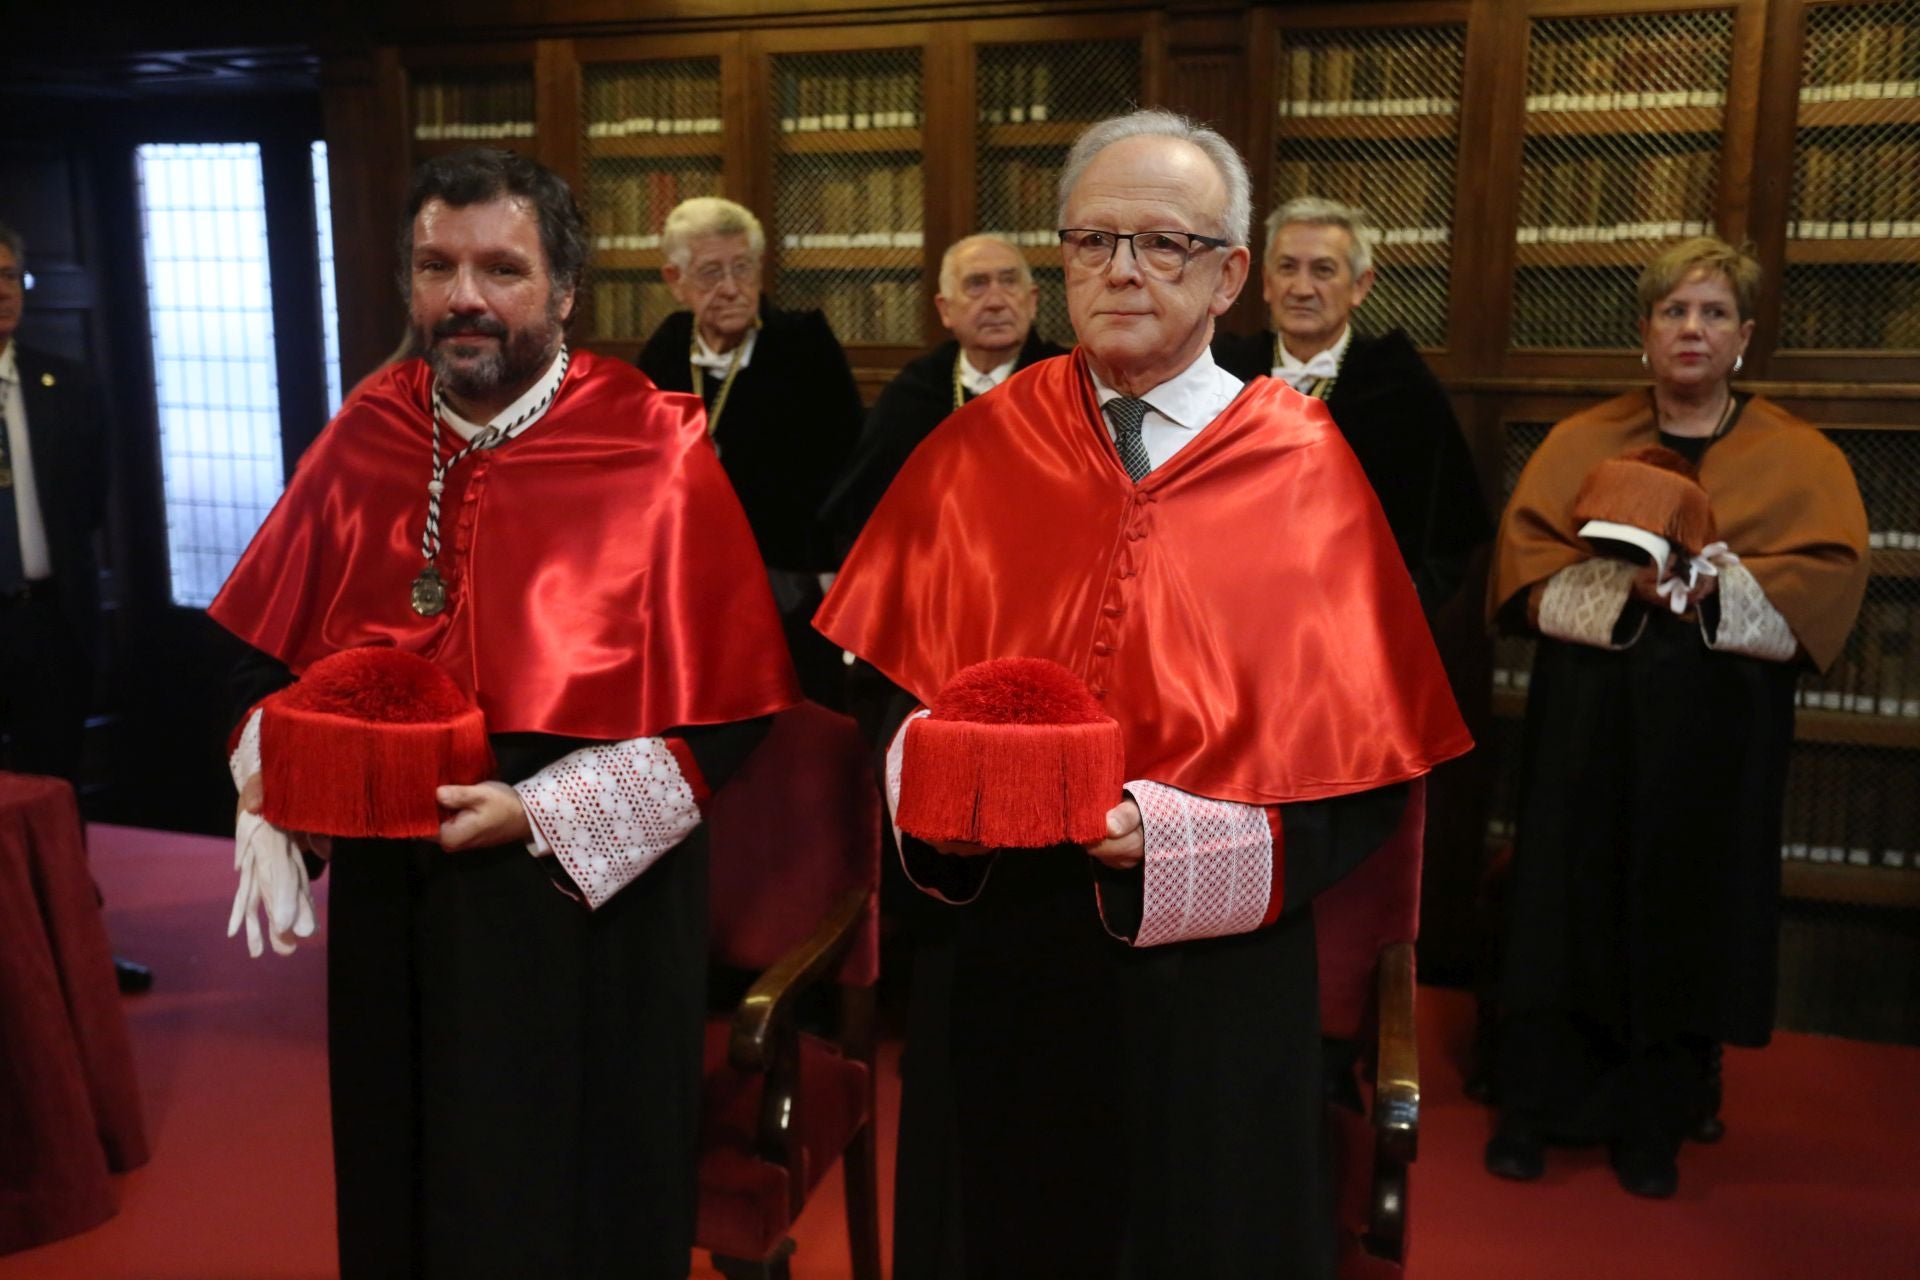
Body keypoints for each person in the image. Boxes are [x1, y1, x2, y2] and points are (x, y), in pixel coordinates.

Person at [816, 110, 1471, 1279]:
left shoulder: (1308, 472)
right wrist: (946, 773)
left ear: (1229, 276)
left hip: (1211, 993)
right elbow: (886, 697)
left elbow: (1368, 779)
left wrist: (1169, 840)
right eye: (1091, 240)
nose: (1120, 269)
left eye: (1162, 244)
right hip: (1002, 955)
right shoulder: (974, 453)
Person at [208, 149, 799, 1278]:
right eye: (436, 266)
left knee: (567, 1212)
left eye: (500, 268)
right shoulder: (366, 432)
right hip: (402, 904)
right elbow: (253, 653)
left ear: (564, 290)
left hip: (584, 916)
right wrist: (273, 770)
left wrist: (536, 812)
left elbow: (730, 717)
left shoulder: (653, 443)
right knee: (409, 1194)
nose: (464, 296)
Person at [1483, 236, 1869, 1198]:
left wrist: (1696, 587)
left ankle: (1653, 1117)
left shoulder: (1798, 456)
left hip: (1716, 727)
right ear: (1646, 332)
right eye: (1673, 312)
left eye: (1712, 314)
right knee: (1563, 900)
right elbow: (1526, 569)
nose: (1691, 329)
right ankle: (1537, 1104)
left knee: (1686, 904)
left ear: (1743, 337)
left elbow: (1822, 587)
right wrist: (1625, 583)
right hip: (1589, 718)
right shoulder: (1583, 439)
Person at [0, 221, 153, 994]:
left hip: (48, 620)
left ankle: (72, 953)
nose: (0, 293)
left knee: (56, 792)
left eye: (8, 277)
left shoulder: (68, 383)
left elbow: (88, 504)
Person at [636, 196, 862, 708]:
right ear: (676, 279)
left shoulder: (803, 343)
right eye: (711, 273)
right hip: (684, 569)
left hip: (786, 574)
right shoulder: (668, 346)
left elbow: (844, 465)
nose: (733, 288)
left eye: (742, 268)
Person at [1212, 196, 1489, 611]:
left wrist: (1393, 608)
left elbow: (1451, 534)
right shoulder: (1222, 374)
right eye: (1287, 268)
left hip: (1355, 617)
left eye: (1323, 270)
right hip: (1233, 606)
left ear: (1360, 286)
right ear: (1266, 282)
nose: (1302, 288)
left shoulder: (1402, 387)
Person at [820, 233, 1066, 552]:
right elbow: (864, 511)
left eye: (1009, 282)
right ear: (945, 309)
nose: (995, 301)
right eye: (977, 284)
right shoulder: (918, 388)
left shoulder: (1064, 381)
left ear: (1031, 301)